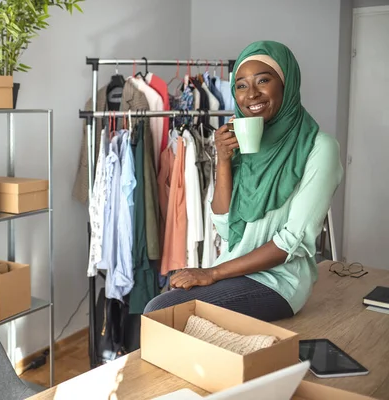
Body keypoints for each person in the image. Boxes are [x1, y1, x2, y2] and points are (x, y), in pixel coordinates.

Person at [143, 40, 344, 322]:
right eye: (240, 85)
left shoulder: (320, 148)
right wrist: (223, 160)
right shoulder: (247, 143)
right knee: (161, 308)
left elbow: (291, 241)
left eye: (263, 80)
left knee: (162, 312)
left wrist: (212, 273)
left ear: (286, 83)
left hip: (279, 282)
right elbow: (225, 228)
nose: (251, 94)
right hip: (234, 269)